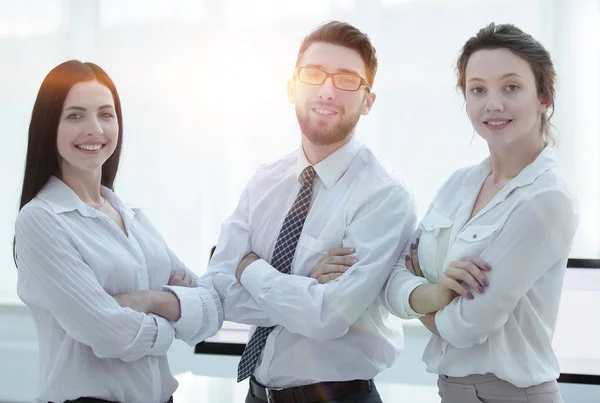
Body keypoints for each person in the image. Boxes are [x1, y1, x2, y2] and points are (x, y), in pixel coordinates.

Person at [199, 21, 416, 403]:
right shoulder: (263, 181)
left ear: (368, 101)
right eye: (314, 74)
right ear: (292, 87)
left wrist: (249, 267)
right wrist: (304, 285)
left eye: (347, 79)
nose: (327, 90)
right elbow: (219, 291)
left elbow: (326, 318)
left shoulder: (384, 196)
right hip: (257, 395)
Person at [380, 23, 579, 403]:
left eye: (511, 87)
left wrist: (422, 299)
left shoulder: (548, 199)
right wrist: (439, 294)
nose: (493, 103)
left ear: (544, 97)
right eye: (478, 90)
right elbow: (391, 278)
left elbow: (467, 327)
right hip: (450, 392)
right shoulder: (458, 185)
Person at [13, 60, 223, 403]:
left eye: (106, 114)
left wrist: (149, 300)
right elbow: (112, 336)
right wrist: (176, 319)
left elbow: (212, 309)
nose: (94, 129)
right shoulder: (41, 220)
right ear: (49, 126)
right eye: (75, 115)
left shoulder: (132, 218)